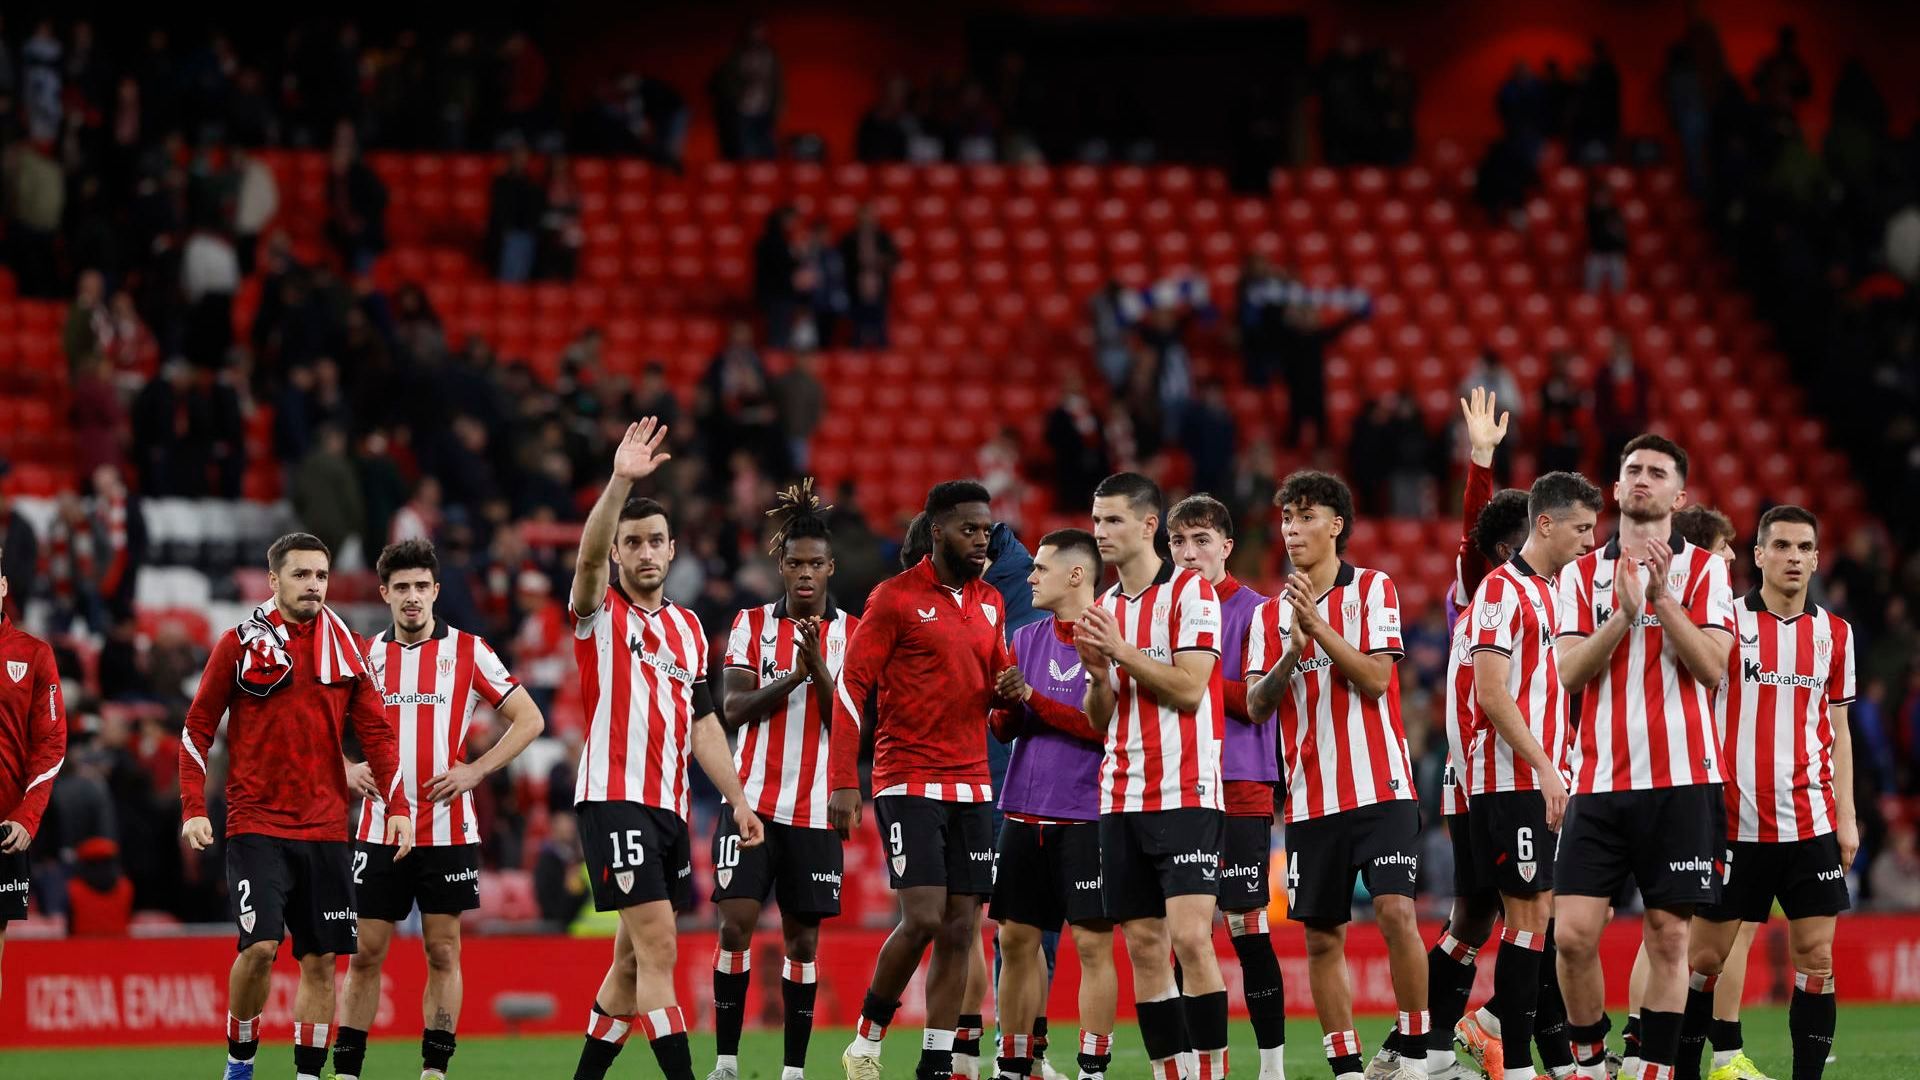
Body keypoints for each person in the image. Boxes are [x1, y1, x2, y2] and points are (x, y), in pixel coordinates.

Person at [567, 419, 766, 1080]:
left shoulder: (685, 628)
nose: (645, 552)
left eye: (656, 541)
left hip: (671, 810)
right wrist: (622, 481)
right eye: (633, 542)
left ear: (673, 549)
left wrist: (737, 798)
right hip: (612, 799)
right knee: (659, 949)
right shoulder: (599, 615)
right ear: (619, 553)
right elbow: (588, 560)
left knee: (629, 962)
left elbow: (703, 723)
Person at [179, 533, 414, 1080]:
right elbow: (196, 728)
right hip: (256, 822)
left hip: (328, 827)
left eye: (321, 576)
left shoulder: (348, 647)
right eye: (301, 575)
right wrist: (194, 806)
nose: (313, 586)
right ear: (274, 580)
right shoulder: (239, 644)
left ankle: (309, 1074)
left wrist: (398, 805)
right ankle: (240, 1061)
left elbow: (378, 734)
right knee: (260, 947)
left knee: (320, 960)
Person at [1551, 434, 1735, 1080]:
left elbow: (1715, 668)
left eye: (1657, 472)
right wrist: (1621, 617)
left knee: (1670, 937)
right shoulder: (1578, 574)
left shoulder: (1708, 572)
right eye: (1632, 469)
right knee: (1571, 935)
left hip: (1682, 781)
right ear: (1617, 487)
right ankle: (1591, 1060)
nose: (1642, 479)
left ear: (1678, 495)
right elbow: (1569, 675)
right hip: (1598, 780)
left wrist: (1660, 601)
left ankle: (1652, 1068)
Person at [332, 539, 547, 1080]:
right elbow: (314, 720)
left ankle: (434, 1071)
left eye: (420, 587)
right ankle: (349, 1072)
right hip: (380, 829)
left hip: (447, 830)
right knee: (364, 954)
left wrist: (476, 771)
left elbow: (529, 719)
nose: (411, 597)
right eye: (400, 587)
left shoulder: (471, 651)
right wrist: (345, 766)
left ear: (435, 592)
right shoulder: (363, 655)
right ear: (383, 593)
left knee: (444, 951)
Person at [1245, 470, 1432, 1080]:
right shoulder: (1269, 617)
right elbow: (1256, 704)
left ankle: (1416, 1052)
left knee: (1396, 913)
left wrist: (1318, 629)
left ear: (1336, 525)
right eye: (1287, 518)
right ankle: (1347, 1068)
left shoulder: (1373, 589)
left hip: (1381, 787)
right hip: (1310, 799)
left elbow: (1378, 680)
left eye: (1304, 516)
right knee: (1322, 936)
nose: (1292, 528)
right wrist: (1291, 653)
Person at [828, 480, 1010, 1080]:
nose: (981, 539)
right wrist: (844, 780)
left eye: (986, 530)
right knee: (926, 916)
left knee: (964, 926)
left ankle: (935, 1058)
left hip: (974, 782)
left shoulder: (991, 603)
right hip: (907, 777)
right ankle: (868, 1038)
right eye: (969, 529)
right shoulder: (895, 598)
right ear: (937, 531)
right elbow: (853, 687)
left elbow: (999, 705)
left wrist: (1012, 703)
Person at [1678, 506, 1854, 1080]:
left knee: (1818, 960)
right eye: (1781, 546)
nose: (1794, 558)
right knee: (1703, 962)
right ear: (1758, 556)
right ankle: (1680, 1069)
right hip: (1733, 823)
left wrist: (1846, 816)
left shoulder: (1835, 634)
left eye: (1805, 547)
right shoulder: (1725, 624)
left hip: (1810, 822)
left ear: (1817, 557)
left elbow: (1840, 731)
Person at [1078, 472, 1231, 1080]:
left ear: (1148, 527)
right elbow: (1100, 718)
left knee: (1191, 939)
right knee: (1143, 946)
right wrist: (1095, 676)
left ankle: (1211, 1075)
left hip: (1186, 789)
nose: (1100, 533)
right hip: (1120, 794)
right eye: (1095, 521)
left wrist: (1120, 654)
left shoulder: (1192, 593)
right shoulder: (1103, 608)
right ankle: (1174, 1074)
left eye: (1113, 520)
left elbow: (1192, 690)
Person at [709, 482, 858, 1080]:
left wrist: (817, 668)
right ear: (781, 564)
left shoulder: (852, 632)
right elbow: (734, 708)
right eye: (794, 563)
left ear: (830, 567)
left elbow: (848, 722)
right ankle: (725, 1061)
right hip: (751, 802)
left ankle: (793, 1070)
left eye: (814, 564)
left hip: (815, 807)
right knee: (734, 925)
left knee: (802, 944)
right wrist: (794, 676)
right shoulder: (749, 624)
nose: (804, 574)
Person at [1464, 472, 1603, 1080]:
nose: (1590, 541)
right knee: (1525, 921)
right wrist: (1546, 765)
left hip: (1539, 779)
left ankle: (1514, 1051)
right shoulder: (1501, 592)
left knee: (1535, 922)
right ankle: (1516, 1064)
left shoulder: (1553, 593)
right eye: (1581, 528)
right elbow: (1492, 694)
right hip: (1509, 779)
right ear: (1544, 523)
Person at [988, 529, 1119, 1080]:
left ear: (1075, 574)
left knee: (1091, 944)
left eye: (1040, 568)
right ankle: (1015, 1063)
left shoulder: (1112, 638)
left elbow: (1102, 726)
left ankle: (1091, 1068)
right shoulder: (1026, 638)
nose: (1030, 577)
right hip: (1022, 810)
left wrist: (1031, 700)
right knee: (1015, 941)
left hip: (1086, 815)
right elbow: (1004, 729)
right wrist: (1007, 704)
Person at [1167, 494, 1286, 1080]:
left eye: (1202, 541)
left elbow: (1261, 702)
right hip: (1176, 783)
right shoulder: (1160, 610)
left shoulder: (1258, 611)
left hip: (1240, 781)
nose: (1189, 555)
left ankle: (1271, 1066)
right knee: (1182, 931)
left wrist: (1193, 677)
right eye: (1178, 543)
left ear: (1227, 547)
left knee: (1246, 925)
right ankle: (1189, 1061)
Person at [1438, 489, 1533, 1079]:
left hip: (1497, 775)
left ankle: (1418, 1046)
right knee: (1542, 916)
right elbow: (1478, 543)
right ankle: (1501, 1034)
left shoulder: (1546, 595)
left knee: (1476, 920)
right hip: (1493, 775)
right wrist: (1479, 462)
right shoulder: (1493, 588)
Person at [0, 543, 67, 997]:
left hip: (3, 826)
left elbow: (51, 743)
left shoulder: (34, 654)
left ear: (2, 586)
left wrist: (27, 815)